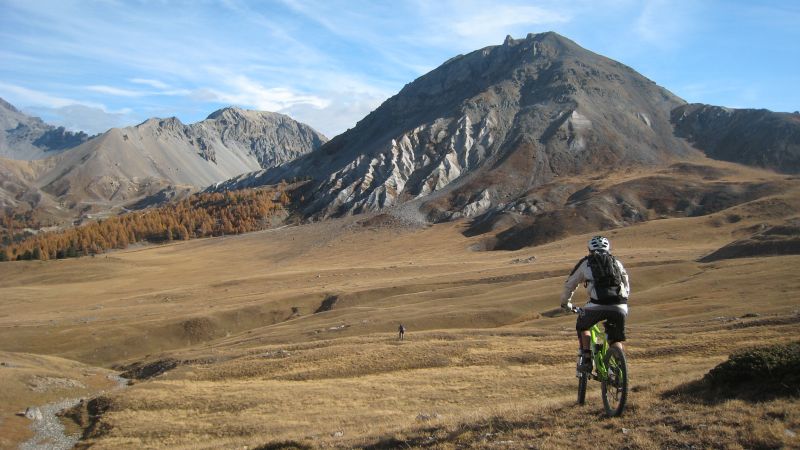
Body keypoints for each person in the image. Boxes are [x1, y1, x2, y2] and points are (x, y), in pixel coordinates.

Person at [560, 236, 630, 373]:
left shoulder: (586, 262)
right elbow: (626, 285)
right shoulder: (616, 262)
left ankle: (586, 359)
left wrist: (565, 304)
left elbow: (570, 285)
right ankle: (619, 369)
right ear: (608, 248)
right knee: (615, 338)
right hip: (620, 305)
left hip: (596, 305)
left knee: (583, 325)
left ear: (589, 249)